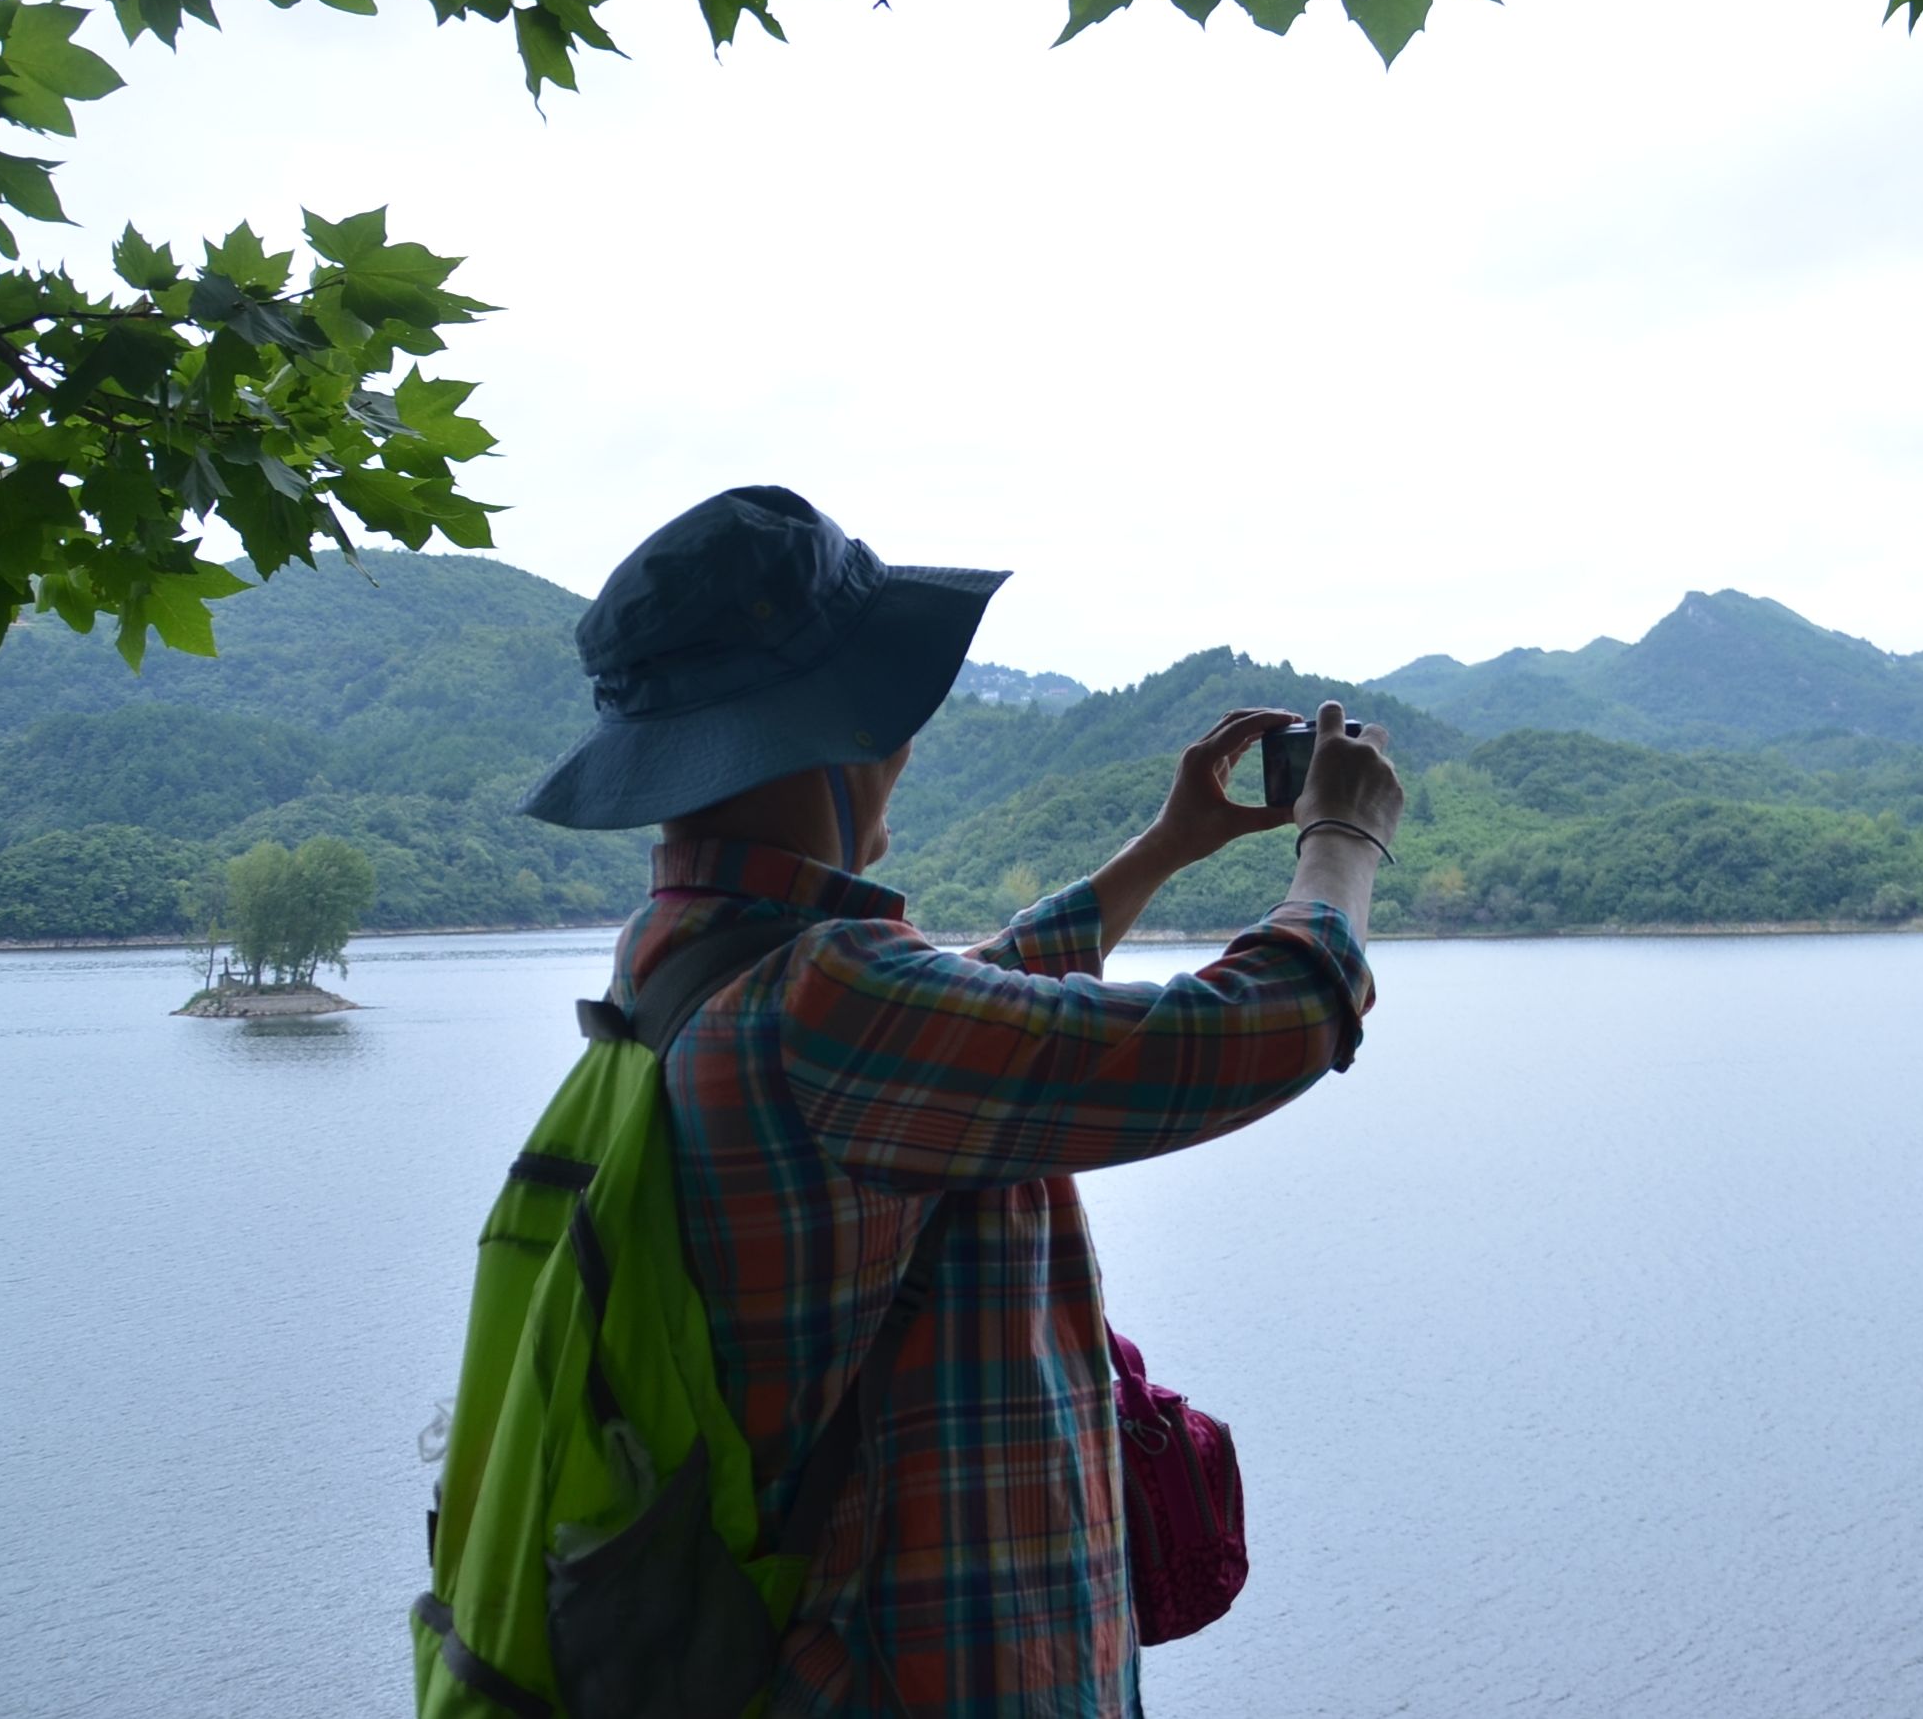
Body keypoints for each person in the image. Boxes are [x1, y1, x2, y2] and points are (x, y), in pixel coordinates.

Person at [519, 485, 1395, 1716]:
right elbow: (1269, 1028)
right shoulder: (825, 1001)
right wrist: (1344, 842)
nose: (909, 747)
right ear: (835, 735)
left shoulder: (689, 959)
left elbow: (956, 1014)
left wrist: (1161, 849)